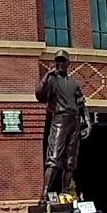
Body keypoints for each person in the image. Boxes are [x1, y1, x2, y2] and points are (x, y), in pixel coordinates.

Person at [35, 49, 91, 202]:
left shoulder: (73, 83)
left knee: (70, 161)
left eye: (62, 61)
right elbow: (39, 95)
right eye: (57, 61)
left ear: (68, 63)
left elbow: (82, 104)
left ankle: (65, 193)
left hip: (74, 122)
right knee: (54, 158)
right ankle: (44, 194)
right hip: (60, 119)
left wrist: (88, 123)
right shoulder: (52, 80)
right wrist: (47, 76)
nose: (59, 64)